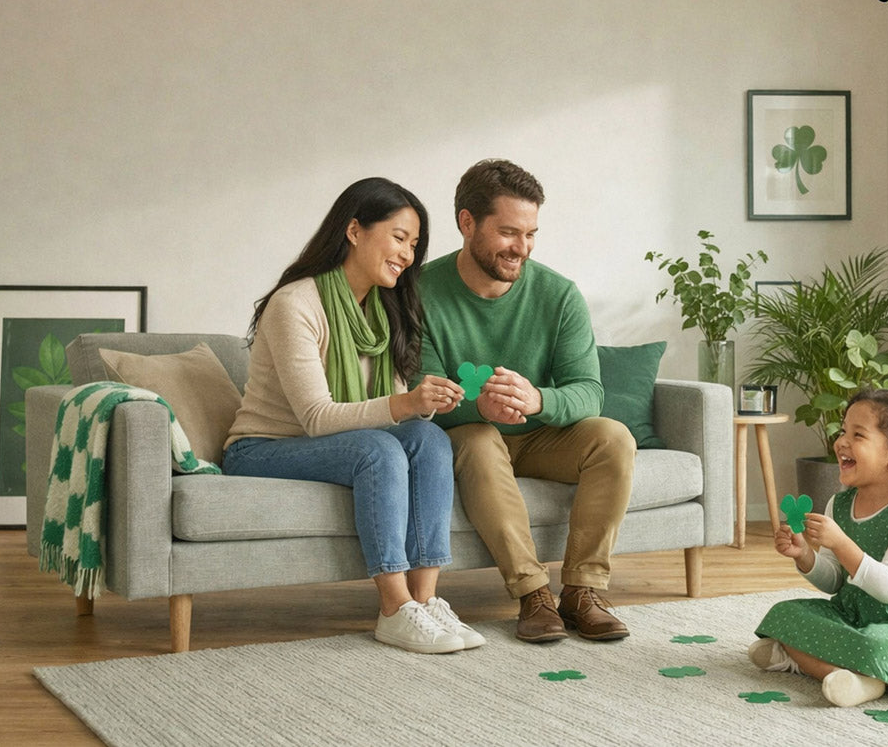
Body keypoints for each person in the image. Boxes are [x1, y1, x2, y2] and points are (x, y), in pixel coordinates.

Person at [222, 177, 474, 654]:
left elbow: (398, 416)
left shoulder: (386, 311)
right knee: (378, 449)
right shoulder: (295, 304)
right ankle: (394, 609)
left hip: (333, 445)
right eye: (398, 237)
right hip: (264, 448)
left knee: (430, 439)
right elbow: (317, 417)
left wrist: (425, 404)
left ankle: (425, 601)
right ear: (355, 230)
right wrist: (406, 403)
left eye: (414, 244)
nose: (407, 254)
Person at [416, 159, 637, 643]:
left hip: (541, 436)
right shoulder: (420, 293)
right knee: (477, 438)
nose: (522, 248)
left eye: (531, 233)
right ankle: (533, 593)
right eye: (509, 232)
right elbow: (423, 389)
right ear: (467, 222)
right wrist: (480, 409)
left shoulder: (558, 295)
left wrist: (538, 400)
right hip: (470, 438)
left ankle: (583, 591)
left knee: (613, 438)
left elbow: (589, 391)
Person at [750, 389, 888, 707]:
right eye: (843, 431)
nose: (841, 442)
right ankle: (856, 678)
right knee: (784, 614)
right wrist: (805, 556)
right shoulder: (838, 503)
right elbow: (834, 582)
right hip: (851, 615)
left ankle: (807, 661)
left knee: (875, 645)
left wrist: (841, 542)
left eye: (858, 435)